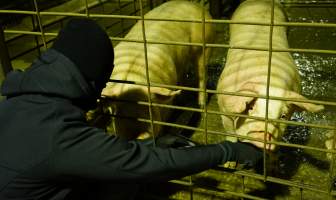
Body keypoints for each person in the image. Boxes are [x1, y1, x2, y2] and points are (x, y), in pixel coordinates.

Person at [0, 18, 263, 200]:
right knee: (121, 182)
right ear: (90, 81)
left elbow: (95, 154)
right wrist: (227, 150)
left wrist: (152, 144)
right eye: (102, 83)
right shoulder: (59, 136)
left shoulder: (20, 103)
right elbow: (145, 165)